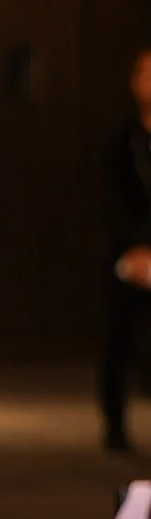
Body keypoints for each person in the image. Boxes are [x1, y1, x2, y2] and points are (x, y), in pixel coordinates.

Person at [101, 48, 151, 452]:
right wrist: (135, 246)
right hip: (128, 251)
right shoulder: (121, 138)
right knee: (120, 334)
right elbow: (110, 199)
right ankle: (115, 422)